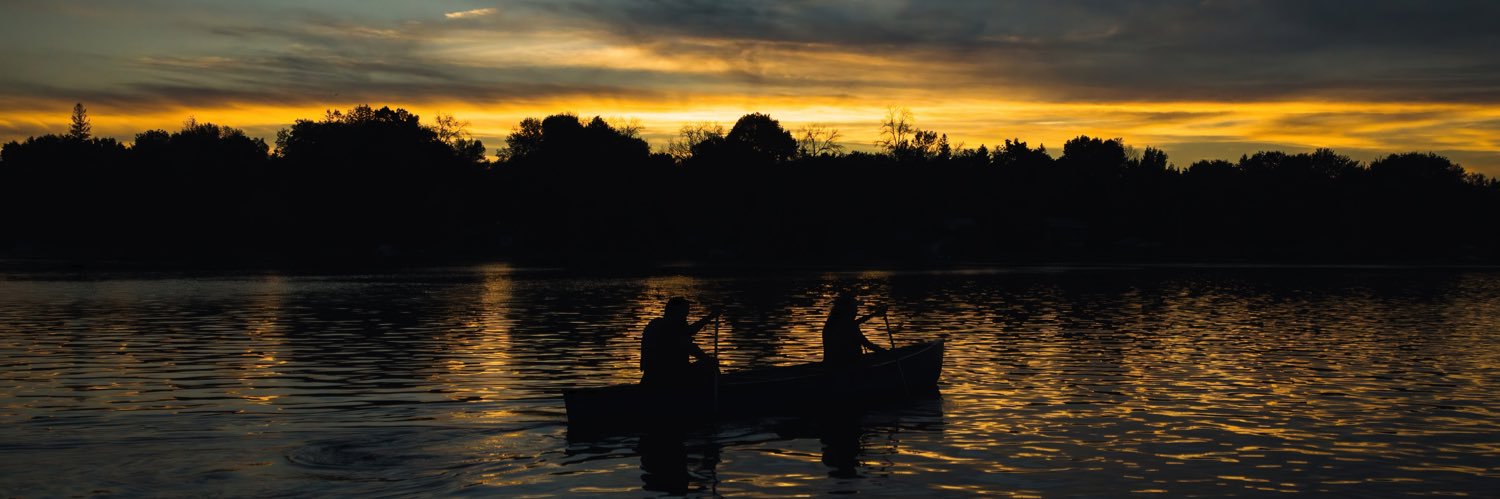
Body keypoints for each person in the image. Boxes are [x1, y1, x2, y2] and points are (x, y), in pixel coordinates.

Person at [640, 297, 722, 391]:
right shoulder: (670, 328)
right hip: (669, 378)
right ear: (676, 312)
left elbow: (688, 331)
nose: (685, 318)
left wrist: (710, 316)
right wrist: (709, 360)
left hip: (651, 378)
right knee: (710, 367)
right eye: (684, 314)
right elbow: (689, 346)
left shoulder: (654, 325)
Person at [821, 293, 888, 372]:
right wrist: (885, 352)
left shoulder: (831, 323)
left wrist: (874, 314)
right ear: (848, 310)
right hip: (850, 367)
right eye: (855, 308)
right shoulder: (850, 327)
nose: (857, 310)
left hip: (830, 366)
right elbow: (867, 344)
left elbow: (855, 323)